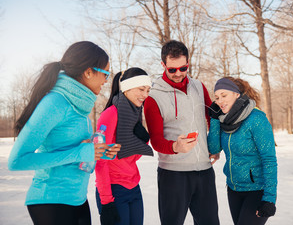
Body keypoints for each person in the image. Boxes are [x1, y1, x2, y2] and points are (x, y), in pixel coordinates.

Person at [8, 41, 120, 225]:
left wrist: (97, 151)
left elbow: (73, 148)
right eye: (106, 73)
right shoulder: (54, 103)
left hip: (77, 199)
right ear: (88, 72)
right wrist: (79, 153)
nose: (107, 80)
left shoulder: (79, 106)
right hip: (51, 202)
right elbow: (16, 161)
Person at [144, 40, 220, 225]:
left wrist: (214, 145)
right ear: (163, 65)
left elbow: (212, 118)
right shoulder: (153, 96)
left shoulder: (198, 86)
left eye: (183, 68)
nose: (178, 73)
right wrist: (175, 147)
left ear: (188, 63)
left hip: (204, 171)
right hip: (173, 174)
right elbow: (155, 140)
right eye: (172, 69)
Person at [207, 77, 278, 225]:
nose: (220, 101)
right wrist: (214, 120)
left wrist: (269, 199)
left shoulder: (256, 119)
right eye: (217, 97)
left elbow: (269, 160)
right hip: (233, 190)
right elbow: (214, 148)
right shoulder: (224, 120)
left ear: (237, 94)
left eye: (224, 95)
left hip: (256, 190)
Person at [95, 67, 153, 225]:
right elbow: (100, 161)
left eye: (148, 90)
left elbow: (131, 158)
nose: (145, 95)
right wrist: (106, 201)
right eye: (141, 89)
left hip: (133, 187)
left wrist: (143, 141)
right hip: (114, 190)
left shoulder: (135, 115)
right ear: (127, 88)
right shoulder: (110, 114)